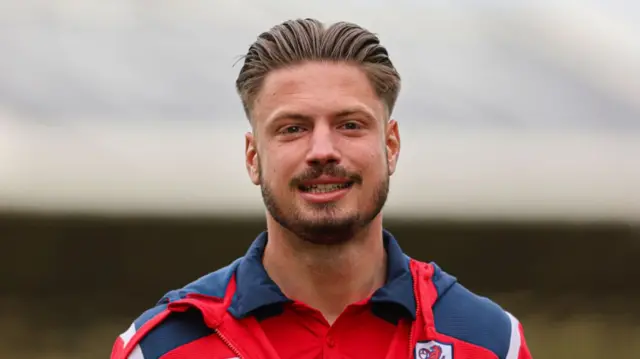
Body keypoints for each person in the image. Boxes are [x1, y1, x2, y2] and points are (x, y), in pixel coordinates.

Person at [110, 18, 533, 359]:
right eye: (293, 129)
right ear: (253, 157)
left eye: (350, 125)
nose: (322, 151)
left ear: (391, 146)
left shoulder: (488, 342)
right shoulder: (162, 347)